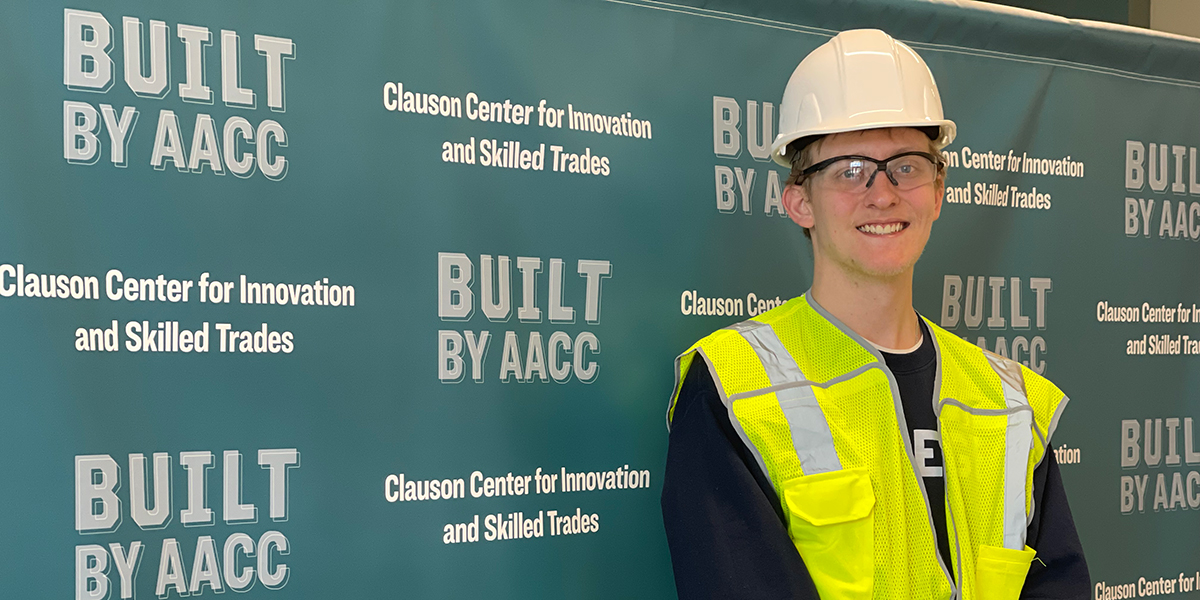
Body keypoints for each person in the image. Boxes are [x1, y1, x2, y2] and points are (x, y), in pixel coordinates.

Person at [661, 29, 1089, 600]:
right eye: (849, 169)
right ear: (798, 201)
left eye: (906, 166)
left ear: (939, 191)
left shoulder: (1010, 404)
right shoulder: (732, 389)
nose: (883, 194)